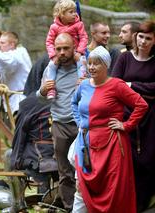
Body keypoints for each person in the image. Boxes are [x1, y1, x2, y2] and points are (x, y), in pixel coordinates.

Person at [71, 46, 148, 213]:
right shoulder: (83, 85)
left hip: (113, 144)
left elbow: (141, 105)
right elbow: (74, 103)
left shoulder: (116, 85)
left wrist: (126, 125)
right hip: (88, 142)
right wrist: (80, 122)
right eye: (89, 63)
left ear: (106, 65)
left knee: (114, 188)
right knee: (87, 186)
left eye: (96, 64)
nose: (91, 67)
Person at [112, 20, 155, 212]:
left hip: (152, 118)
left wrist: (132, 85)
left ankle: (143, 205)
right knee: (127, 160)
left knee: (148, 160)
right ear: (135, 37)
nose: (144, 41)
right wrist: (142, 90)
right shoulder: (124, 59)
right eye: (141, 36)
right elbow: (115, 85)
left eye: (149, 38)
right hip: (127, 116)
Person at [37, 33, 79, 212]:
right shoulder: (50, 70)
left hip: (81, 124)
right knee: (65, 171)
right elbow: (41, 100)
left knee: (86, 168)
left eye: (66, 48)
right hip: (59, 124)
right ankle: (70, 208)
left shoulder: (84, 66)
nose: (61, 52)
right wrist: (42, 91)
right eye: (58, 48)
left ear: (74, 47)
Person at [44, 0, 88, 99]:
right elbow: (49, 42)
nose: (75, 14)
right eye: (71, 12)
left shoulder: (78, 24)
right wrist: (53, 55)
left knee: (82, 63)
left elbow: (84, 38)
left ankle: (81, 84)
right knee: (51, 65)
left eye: (75, 11)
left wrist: (80, 52)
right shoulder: (54, 27)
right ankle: (51, 88)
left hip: (76, 52)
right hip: (61, 54)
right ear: (62, 14)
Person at [0, 31, 32, 114]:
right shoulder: (12, 54)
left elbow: (3, 60)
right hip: (13, 100)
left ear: (12, 44)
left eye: (2, 43)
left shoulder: (17, 54)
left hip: (19, 99)